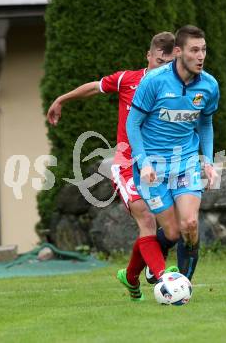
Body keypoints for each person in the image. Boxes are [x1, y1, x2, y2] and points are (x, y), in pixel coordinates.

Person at [47, 32, 177, 301]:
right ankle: (164, 278)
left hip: (160, 165)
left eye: (167, 64)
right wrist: (62, 99)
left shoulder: (176, 89)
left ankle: (131, 277)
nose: (162, 68)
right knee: (146, 218)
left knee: (171, 225)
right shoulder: (128, 80)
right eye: (158, 61)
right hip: (128, 165)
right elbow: (94, 87)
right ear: (149, 56)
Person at [126, 25, 220, 282]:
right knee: (172, 232)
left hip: (186, 162)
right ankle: (146, 263)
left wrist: (208, 161)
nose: (200, 56)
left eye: (203, 50)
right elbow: (132, 124)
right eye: (194, 50)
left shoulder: (209, 86)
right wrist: (144, 163)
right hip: (153, 168)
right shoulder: (154, 82)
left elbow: (206, 123)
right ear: (178, 52)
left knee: (189, 224)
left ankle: (183, 284)